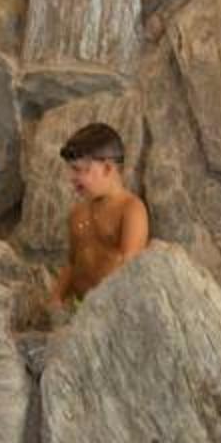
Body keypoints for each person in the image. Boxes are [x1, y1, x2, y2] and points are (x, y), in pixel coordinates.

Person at [53, 123, 148, 306]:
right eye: (70, 169)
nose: (71, 177)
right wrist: (55, 298)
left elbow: (131, 269)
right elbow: (71, 264)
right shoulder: (77, 213)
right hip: (80, 308)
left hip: (112, 309)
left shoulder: (131, 210)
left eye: (78, 170)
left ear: (107, 169)